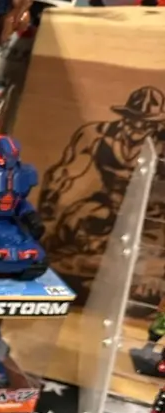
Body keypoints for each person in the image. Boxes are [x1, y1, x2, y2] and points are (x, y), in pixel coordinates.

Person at [38, 86, 165, 274]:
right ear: (124, 115)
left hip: (149, 214)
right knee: (71, 221)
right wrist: (47, 214)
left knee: (148, 259)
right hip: (107, 203)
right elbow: (63, 173)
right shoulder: (98, 134)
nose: (138, 127)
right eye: (133, 119)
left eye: (146, 123)